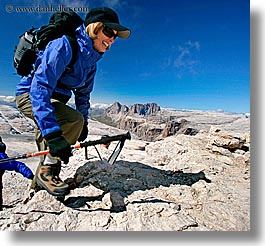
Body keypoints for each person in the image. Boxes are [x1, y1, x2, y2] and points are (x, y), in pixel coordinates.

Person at [15, 7, 131, 197]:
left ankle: (38, 192)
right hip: (31, 96)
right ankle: (48, 172)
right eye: (109, 31)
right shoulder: (64, 45)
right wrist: (54, 133)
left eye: (115, 36)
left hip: (52, 101)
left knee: (50, 148)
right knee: (66, 127)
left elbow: (83, 95)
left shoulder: (91, 62)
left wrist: (84, 123)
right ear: (94, 28)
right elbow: (40, 87)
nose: (112, 39)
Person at [0, 137, 34, 211]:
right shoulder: (3, 158)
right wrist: (30, 175)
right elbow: (17, 165)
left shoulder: (2, 158)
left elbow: (15, 165)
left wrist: (30, 175)